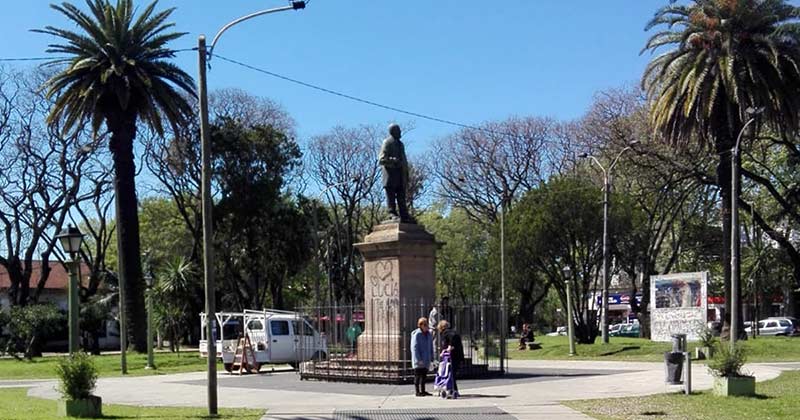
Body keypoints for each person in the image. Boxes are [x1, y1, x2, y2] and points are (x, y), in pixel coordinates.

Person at [378, 123, 411, 222]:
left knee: (401, 196)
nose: (400, 132)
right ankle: (391, 214)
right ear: (393, 132)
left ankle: (404, 215)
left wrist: (406, 173)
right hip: (390, 175)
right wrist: (393, 160)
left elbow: (404, 160)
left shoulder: (401, 144)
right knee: (391, 196)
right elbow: (381, 159)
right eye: (398, 131)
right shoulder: (387, 142)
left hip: (400, 174)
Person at [437, 320, 464, 398]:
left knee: (451, 374)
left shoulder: (446, 333)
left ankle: (453, 389)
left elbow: (451, 340)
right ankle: (452, 389)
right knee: (451, 374)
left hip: (453, 357)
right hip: (456, 356)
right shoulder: (452, 332)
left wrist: (450, 346)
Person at [410, 317, 433, 396]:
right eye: (425, 325)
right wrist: (418, 359)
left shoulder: (429, 334)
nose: (426, 326)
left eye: (427, 324)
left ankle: (423, 390)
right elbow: (414, 348)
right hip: (419, 359)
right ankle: (417, 391)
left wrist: (432, 356)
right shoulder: (417, 334)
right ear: (420, 325)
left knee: (424, 375)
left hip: (426, 358)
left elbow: (431, 346)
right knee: (417, 376)